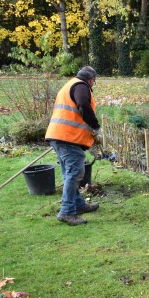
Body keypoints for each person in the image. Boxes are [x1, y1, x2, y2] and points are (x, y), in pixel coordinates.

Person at [45, 66, 101, 226]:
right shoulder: (81, 86)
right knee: (75, 173)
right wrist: (95, 126)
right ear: (91, 79)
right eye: (94, 82)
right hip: (67, 137)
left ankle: (78, 205)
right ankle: (67, 212)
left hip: (59, 135)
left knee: (69, 173)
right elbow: (83, 104)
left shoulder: (70, 84)